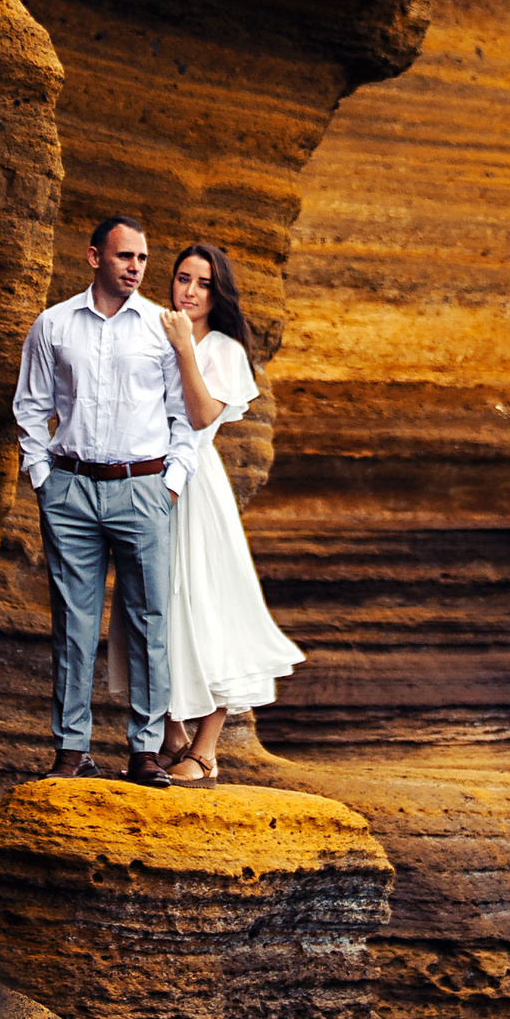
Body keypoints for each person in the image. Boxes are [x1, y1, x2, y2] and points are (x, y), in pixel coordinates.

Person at [11, 214, 197, 789]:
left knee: (149, 620)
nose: (136, 268)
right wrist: (44, 478)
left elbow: (183, 416)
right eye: (125, 257)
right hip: (70, 489)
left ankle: (144, 750)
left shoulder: (162, 329)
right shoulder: (54, 325)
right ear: (95, 257)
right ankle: (71, 749)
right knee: (74, 622)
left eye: (142, 259)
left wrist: (170, 483)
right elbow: (30, 405)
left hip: (143, 489)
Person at [128, 241, 305, 783]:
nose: (191, 291)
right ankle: (172, 735)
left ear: (217, 292)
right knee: (154, 606)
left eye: (204, 283)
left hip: (198, 489)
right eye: (184, 278)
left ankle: (206, 749)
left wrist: (184, 347)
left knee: (208, 607)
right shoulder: (148, 329)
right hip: (145, 479)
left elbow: (202, 415)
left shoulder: (223, 348)